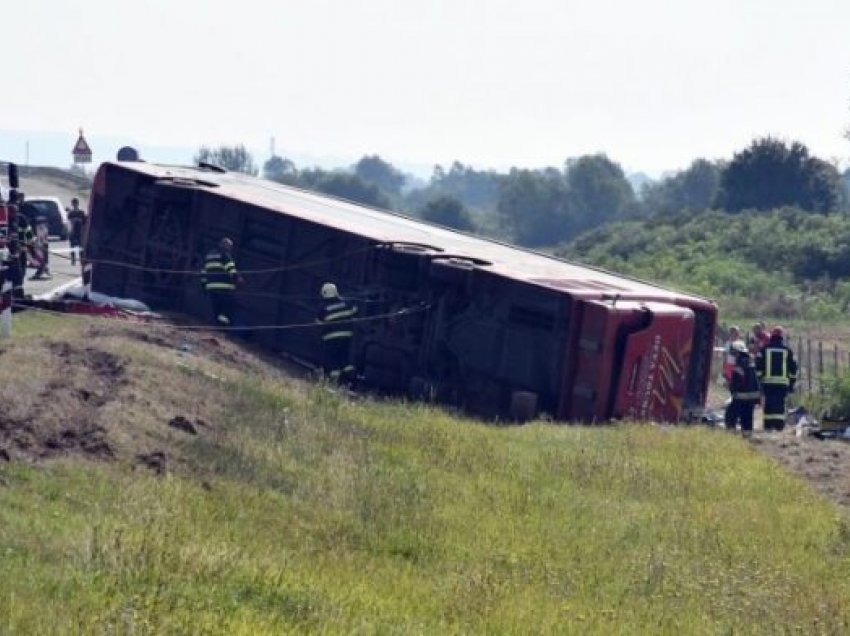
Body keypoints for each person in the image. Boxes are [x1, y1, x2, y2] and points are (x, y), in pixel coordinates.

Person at [756, 326, 798, 432]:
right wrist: (792, 384)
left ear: (772, 336)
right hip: (782, 383)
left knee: (769, 403)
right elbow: (793, 369)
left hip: (768, 382)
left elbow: (758, 367)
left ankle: (768, 426)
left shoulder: (764, 350)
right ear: (781, 337)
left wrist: (759, 380)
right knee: (780, 404)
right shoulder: (787, 351)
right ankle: (779, 426)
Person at [316, 282, 358, 383]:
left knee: (332, 360)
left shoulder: (323, 308)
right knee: (345, 359)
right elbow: (355, 311)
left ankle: (335, 381)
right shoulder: (346, 303)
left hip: (331, 338)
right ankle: (351, 379)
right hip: (347, 336)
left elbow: (318, 323)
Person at [725, 340, 761, 437]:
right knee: (747, 417)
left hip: (741, 396)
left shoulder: (739, 364)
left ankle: (730, 434)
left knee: (730, 414)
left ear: (737, 352)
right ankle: (747, 435)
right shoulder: (750, 361)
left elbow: (737, 381)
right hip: (753, 396)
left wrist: (732, 389)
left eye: (733, 353)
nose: (732, 355)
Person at [201, 237, 239, 327]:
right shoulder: (225, 255)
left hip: (211, 288)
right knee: (227, 309)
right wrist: (238, 279)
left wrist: (204, 285)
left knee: (216, 308)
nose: (230, 248)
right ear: (225, 246)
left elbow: (203, 272)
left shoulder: (208, 256)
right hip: (224, 288)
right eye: (230, 246)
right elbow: (231, 270)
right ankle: (223, 328)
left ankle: (218, 326)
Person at [30, 215, 51, 280]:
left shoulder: (41, 227)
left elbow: (40, 236)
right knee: (42, 258)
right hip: (43, 243)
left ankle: (42, 271)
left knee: (42, 258)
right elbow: (43, 236)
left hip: (42, 244)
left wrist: (38, 242)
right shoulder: (44, 227)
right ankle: (43, 270)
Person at [67, 198, 86, 266]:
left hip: (79, 232)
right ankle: (73, 260)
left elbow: (84, 222)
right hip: (73, 231)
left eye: (75, 203)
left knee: (81, 248)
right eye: (73, 203)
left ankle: (81, 260)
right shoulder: (71, 213)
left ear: (77, 204)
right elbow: (69, 222)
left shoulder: (81, 212)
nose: (74, 205)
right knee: (72, 247)